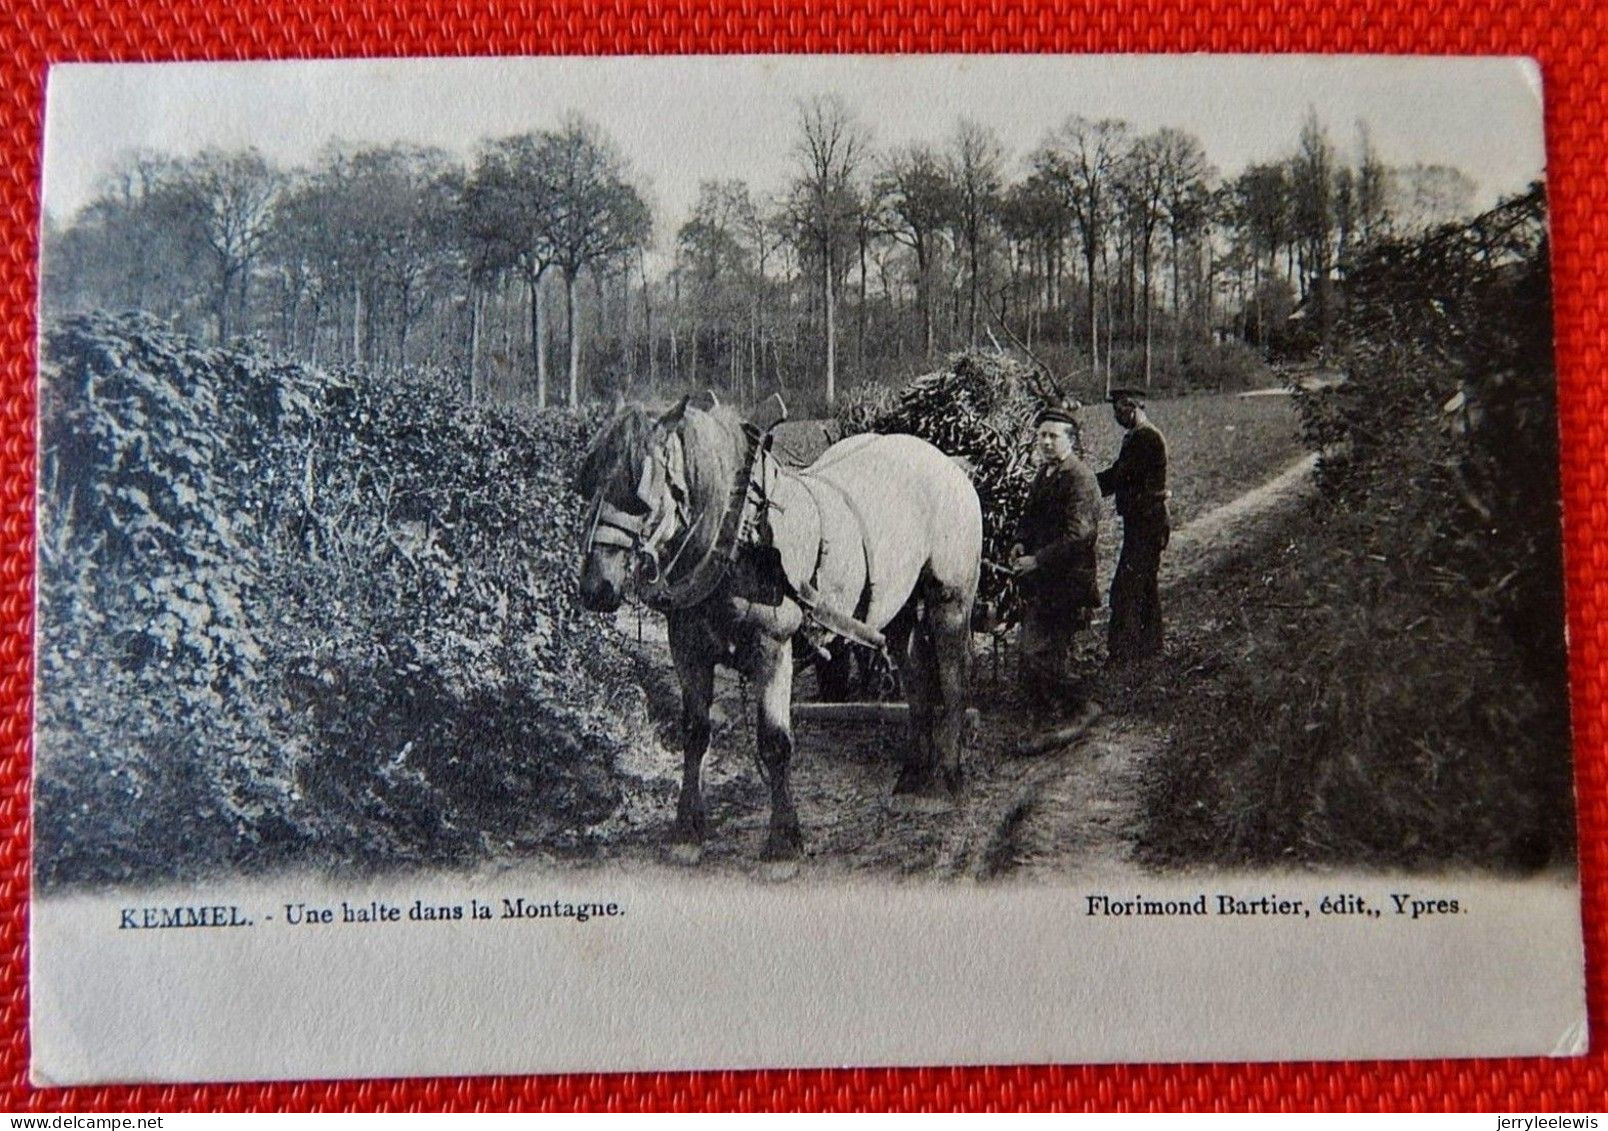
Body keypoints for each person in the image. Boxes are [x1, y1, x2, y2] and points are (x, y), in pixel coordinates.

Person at [1011, 403, 1102, 717]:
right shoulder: (1045, 473)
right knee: (1036, 652)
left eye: (1053, 436)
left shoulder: (1080, 478)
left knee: (1042, 652)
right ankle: (1051, 709)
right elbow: (1029, 516)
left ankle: (1080, 705)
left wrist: (1037, 560)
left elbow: (1079, 537)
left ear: (1071, 440)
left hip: (1068, 583)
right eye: (1042, 436)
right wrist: (1020, 542)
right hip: (1044, 582)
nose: (1046, 442)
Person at [1097, 387, 1170, 666]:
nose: (1116, 417)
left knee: (1125, 589)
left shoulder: (1146, 438)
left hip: (1146, 525)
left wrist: (1087, 484)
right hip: (1144, 523)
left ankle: (1122, 656)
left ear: (1132, 408)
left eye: (1118, 411)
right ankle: (1150, 649)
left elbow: (1119, 475)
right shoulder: (1138, 437)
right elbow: (1119, 473)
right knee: (1144, 584)